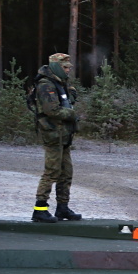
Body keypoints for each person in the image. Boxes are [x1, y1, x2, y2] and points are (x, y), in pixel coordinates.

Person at [32, 52, 82, 223]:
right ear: (56, 67)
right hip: (53, 134)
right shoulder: (46, 85)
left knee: (66, 173)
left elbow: (70, 98)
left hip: (64, 135)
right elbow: (51, 110)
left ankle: (62, 208)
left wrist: (71, 94)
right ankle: (40, 209)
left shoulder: (60, 83)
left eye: (69, 67)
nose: (68, 70)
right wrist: (72, 114)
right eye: (65, 67)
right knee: (52, 172)